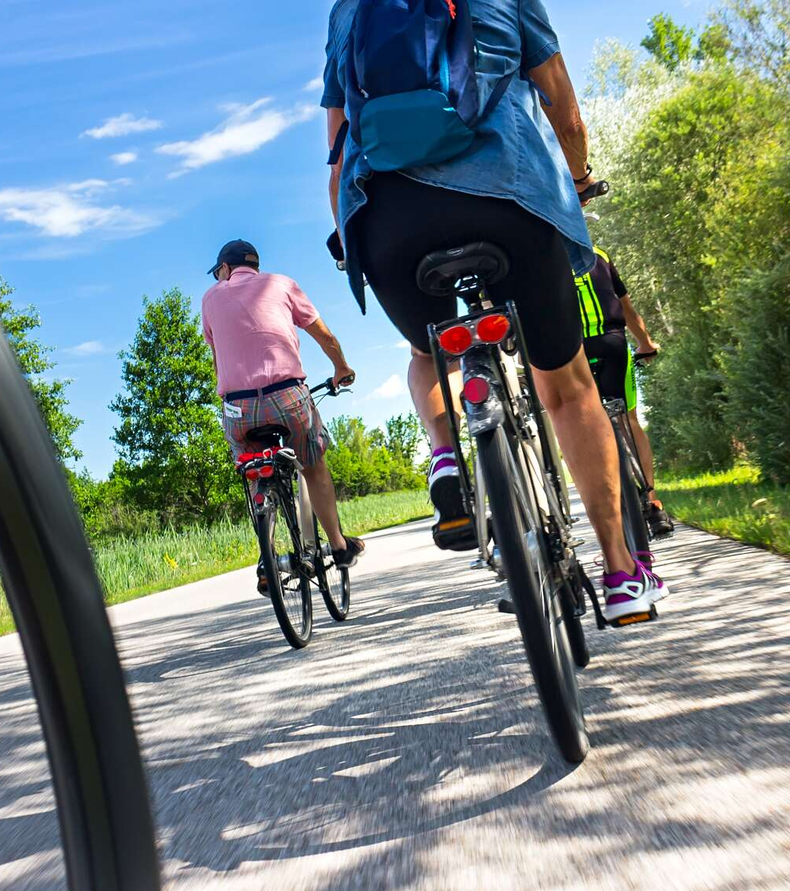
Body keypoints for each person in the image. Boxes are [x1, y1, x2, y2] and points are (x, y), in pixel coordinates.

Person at [320, 0, 668, 623]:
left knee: (431, 351)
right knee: (565, 386)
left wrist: (350, 234)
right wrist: (578, 179)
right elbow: (560, 98)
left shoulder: (349, 10)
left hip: (387, 217)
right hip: (508, 195)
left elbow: (339, 147)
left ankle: (447, 455)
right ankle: (620, 572)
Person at [201, 239, 365, 592]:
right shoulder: (282, 284)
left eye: (218, 272)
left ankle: (267, 556)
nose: (218, 278)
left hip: (237, 407)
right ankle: (338, 546)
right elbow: (325, 336)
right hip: (287, 396)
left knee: (253, 470)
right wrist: (341, 367)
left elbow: (217, 356)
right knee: (313, 465)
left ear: (226, 268)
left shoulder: (211, 298)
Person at [576, 244, 674, 537]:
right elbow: (627, 309)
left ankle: (606, 510)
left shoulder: (544, 257)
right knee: (628, 420)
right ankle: (653, 503)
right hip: (612, 342)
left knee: (582, 426)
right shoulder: (599, 255)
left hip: (573, 351)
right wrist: (646, 344)